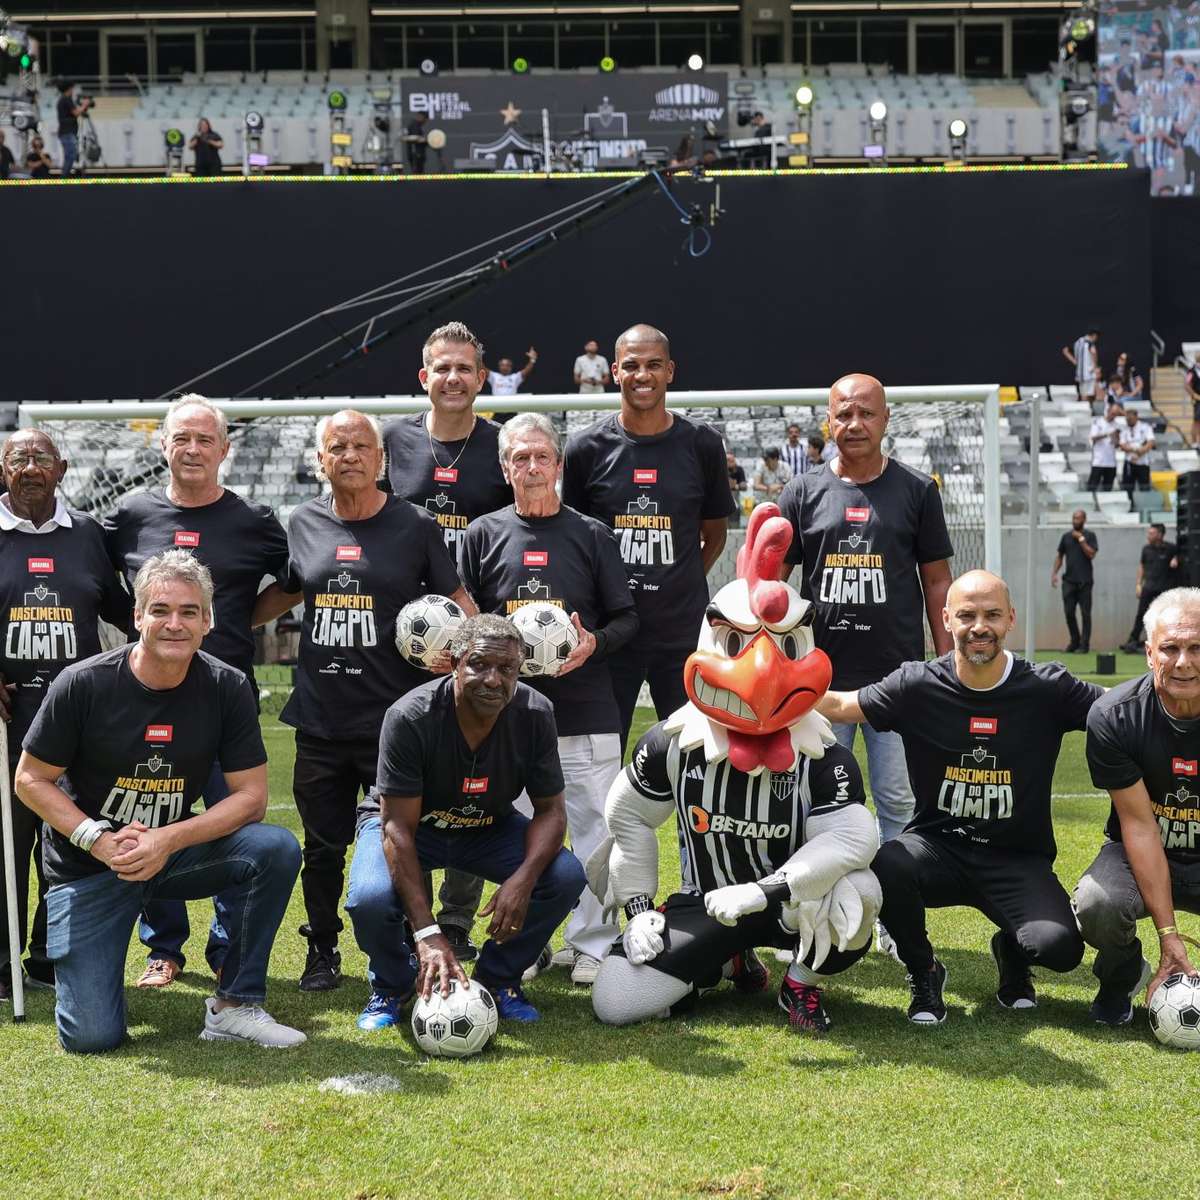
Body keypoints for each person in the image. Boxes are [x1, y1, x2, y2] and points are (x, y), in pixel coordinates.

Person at [589, 505, 880, 1032]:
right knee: (616, 1002)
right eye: (736, 643)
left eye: (786, 645)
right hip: (706, 901)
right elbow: (625, 817)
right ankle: (728, 958)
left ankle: (800, 985)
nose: (763, 669)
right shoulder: (671, 742)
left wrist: (765, 891)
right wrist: (637, 912)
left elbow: (853, 840)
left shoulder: (824, 754)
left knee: (860, 892)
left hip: (792, 904)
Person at [14, 551, 304, 1051]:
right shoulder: (83, 683)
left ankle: (235, 1005)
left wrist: (169, 839)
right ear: (137, 616)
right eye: (160, 609)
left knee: (273, 848)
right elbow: (30, 779)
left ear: (208, 620)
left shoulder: (226, 686)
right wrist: (98, 839)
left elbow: (252, 798)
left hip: (169, 854)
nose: (175, 623)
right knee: (91, 1037)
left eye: (189, 612)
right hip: (90, 865)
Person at [817, 570, 1100, 1025]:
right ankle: (924, 971)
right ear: (946, 619)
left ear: (1011, 619)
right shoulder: (917, 684)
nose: (979, 626)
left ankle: (1012, 951)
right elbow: (842, 706)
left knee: (1060, 949)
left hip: (1015, 859)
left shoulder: (1046, 688)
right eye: (966, 615)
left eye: (991, 614)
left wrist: (1175, 686)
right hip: (938, 849)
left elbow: (1116, 709)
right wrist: (774, 688)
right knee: (888, 861)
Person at [267, 410, 474, 992]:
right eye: (337, 447)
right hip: (320, 719)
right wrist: (217, 626)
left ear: (382, 460)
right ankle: (322, 949)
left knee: (403, 842)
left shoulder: (415, 525)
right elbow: (285, 591)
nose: (350, 455)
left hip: (395, 723)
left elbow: (458, 602)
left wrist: (463, 655)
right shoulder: (303, 522)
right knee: (322, 847)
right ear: (320, 460)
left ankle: (419, 949)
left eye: (361, 446)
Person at [105, 395, 293, 990]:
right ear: (163, 445)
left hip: (221, 702)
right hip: (145, 700)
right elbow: (93, 577)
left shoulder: (256, 521)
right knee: (148, 811)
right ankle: (162, 948)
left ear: (225, 450)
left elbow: (294, 582)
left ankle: (225, 947)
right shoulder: (129, 514)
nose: (192, 449)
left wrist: (236, 619)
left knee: (232, 826)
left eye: (204, 440)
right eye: (181, 438)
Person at [459, 414, 638, 985]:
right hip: (504, 717)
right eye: (519, 457)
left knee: (593, 831)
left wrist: (594, 644)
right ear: (504, 466)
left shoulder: (590, 534)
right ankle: (528, 939)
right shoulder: (482, 534)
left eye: (541, 456)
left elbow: (628, 618)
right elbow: (468, 623)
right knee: (513, 832)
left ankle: (590, 942)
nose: (531, 467)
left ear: (558, 465)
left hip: (585, 710)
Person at [345, 614, 586, 1027]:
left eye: (506, 669)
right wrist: (427, 933)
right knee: (369, 898)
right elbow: (395, 828)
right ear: (455, 662)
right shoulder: (410, 716)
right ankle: (394, 985)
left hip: (486, 826)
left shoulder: (534, 712)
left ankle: (498, 979)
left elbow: (551, 811)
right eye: (479, 665)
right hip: (410, 828)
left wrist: (522, 880)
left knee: (563, 876)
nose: (493, 679)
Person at [779, 373, 953, 854]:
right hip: (819, 679)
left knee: (897, 800)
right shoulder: (801, 491)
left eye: (867, 413)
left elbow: (936, 579)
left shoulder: (918, 489)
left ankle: (894, 916)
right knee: (812, 798)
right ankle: (811, 906)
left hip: (896, 679)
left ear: (886, 418)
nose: (855, 424)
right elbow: (773, 583)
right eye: (844, 414)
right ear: (828, 421)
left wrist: (946, 662)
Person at [383, 321, 512, 961]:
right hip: (410, 644)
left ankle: (457, 919)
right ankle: (415, 916)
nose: (453, 378)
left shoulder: (502, 446)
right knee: (414, 774)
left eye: (465, 368)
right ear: (424, 377)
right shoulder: (393, 443)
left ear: (481, 378)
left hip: (479, 643)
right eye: (442, 368)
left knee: (473, 772)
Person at [0, 430, 129, 1002]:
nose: (30, 466)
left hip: (78, 723)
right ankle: (3, 961)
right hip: (8, 719)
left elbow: (126, 614)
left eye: (41, 457)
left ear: (63, 467)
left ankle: (50, 954)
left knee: (71, 839)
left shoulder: (90, 537)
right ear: (3, 469)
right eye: (18, 458)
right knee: (6, 845)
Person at [562, 324, 733, 747]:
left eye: (654, 365)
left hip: (680, 632)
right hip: (610, 633)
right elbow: (578, 540)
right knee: (603, 754)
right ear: (615, 372)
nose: (643, 375)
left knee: (690, 753)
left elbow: (714, 533)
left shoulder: (702, 444)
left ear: (670, 371)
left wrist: (680, 576)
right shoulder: (585, 448)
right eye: (633, 366)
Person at [1075, 587, 1200, 1025]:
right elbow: (1141, 827)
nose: (1183, 661)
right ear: (1149, 654)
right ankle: (1121, 975)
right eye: (1170, 648)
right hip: (1140, 847)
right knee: (1097, 904)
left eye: (1196, 647)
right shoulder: (1114, 716)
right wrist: (1168, 936)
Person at [1120, 523, 1179, 653]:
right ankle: (1132, 640)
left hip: (1164, 589)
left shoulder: (1171, 549)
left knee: (1164, 616)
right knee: (1141, 614)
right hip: (1149, 587)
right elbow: (1141, 566)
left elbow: (1180, 557)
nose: (1149, 536)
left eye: (1152, 533)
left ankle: (1166, 642)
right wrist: (1138, 584)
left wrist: (1176, 559)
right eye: (1149, 533)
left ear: (1160, 534)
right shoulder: (1146, 549)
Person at [1051, 510, 1099, 653]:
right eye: (1074, 518)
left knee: (1085, 614)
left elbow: (1091, 554)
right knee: (1069, 612)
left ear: (1084, 519)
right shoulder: (1066, 537)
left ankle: (1084, 645)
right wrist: (1054, 573)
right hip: (1069, 581)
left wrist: (1081, 539)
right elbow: (1060, 556)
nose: (1075, 520)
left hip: (1085, 581)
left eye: (1078, 518)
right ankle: (1075, 641)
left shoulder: (1090, 536)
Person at [1087, 397, 1124, 492]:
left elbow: (1116, 445)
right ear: (1108, 411)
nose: (1113, 416)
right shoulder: (1097, 422)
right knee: (1092, 487)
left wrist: (1116, 437)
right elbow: (1093, 437)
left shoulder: (1117, 425)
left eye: (1116, 414)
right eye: (1112, 413)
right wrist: (1107, 434)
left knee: (1108, 488)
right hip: (1098, 461)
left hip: (1111, 463)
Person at [1118, 405, 1155, 498]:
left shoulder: (1145, 427)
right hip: (1129, 462)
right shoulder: (1124, 429)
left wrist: (1140, 452)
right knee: (1127, 487)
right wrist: (1135, 450)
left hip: (1142, 463)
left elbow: (1150, 442)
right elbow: (1122, 445)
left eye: (1131, 419)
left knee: (1144, 487)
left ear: (1136, 417)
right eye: (1127, 419)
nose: (1129, 421)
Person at [56, 80, 91, 176]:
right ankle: (64, 177)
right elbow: (75, 113)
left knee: (70, 155)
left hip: (67, 132)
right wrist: (84, 105)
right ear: (69, 88)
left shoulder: (64, 99)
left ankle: (65, 176)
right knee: (71, 155)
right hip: (67, 132)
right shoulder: (66, 99)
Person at [1062, 327, 1101, 403]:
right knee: (1088, 394)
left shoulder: (1078, 342)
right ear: (1094, 335)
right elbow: (1093, 353)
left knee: (1084, 393)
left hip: (1080, 373)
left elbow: (1065, 351)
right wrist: (1095, 367)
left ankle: (1086, 409)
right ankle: (1087, 410)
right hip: (1089, 373)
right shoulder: (1089, 343)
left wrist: (1076, 362)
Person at [727, 451, 747, 526]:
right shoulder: (720, 469)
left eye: (732, 460)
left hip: (736, 501)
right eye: (728, 460)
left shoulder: (739, 469)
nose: (730, 462)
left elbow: (744, 486)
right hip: (722, 502)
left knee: (735, 524)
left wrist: (734, 486)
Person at [1184, 358, 1200, 449]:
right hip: (1198, 399)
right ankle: (1194, 442)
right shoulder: (1191, 371)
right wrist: (1194, 395)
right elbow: (1186, 384)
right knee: (1197, 421)